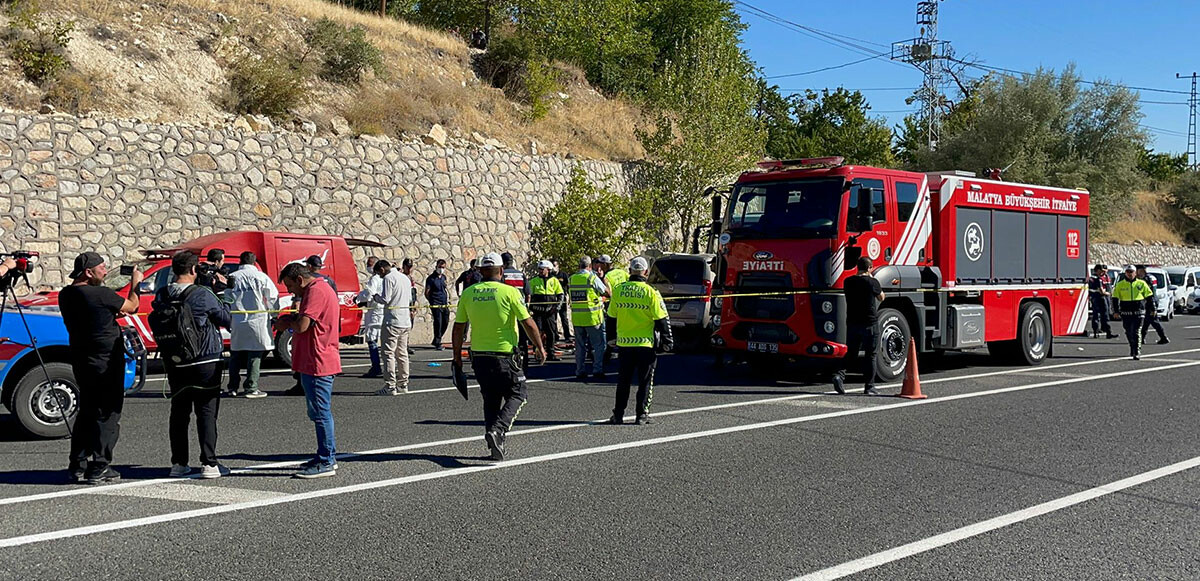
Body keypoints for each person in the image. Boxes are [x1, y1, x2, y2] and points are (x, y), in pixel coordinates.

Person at [451, 253, 546, 461]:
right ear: (501, 271)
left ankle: (495, 446)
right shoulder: (510, 292)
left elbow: (458, 328)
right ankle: (498, 431)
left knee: (490, 399)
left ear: (480, 271)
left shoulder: (469, 293)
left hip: (479, 356)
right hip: (504, 354)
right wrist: (539, 346)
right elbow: (528, 323)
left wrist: (456, 357)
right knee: (519, 393)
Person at [59, 252, 142, 484]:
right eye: (102, 268)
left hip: (82, 359)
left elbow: (93, 313)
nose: (105, 273)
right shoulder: (101, 294)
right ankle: (100, 466)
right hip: (105, 362)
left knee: (86, 411)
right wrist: (136, 282)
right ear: (89, 272)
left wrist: (109, 312)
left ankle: (77, 464)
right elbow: (133, 306)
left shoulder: (66, 295)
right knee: (108, 414)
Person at [152, 252, 233, 479]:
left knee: (179, 412)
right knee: (206, 411)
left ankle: (178, 463)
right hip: (205, 358)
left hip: (175, 359)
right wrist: (222, 291)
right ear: (194, 270)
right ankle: (209, 463)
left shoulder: (162, 294)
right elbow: (226, 319)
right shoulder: (202, 294)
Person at [275, 262, 342, 478]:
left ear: (300, 280)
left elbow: (303, 325)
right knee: (318, 412)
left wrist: (286, 323)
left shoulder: (316, 291)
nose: (290, 291)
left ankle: (326, 461)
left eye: (290, 286)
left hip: (318, 360)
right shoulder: (320, 289)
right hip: (315, 359)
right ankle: (325, 455)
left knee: (321, 413)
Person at [605, 257, 673, 425]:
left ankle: (618, 415)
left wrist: (611, 338)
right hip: (645, 344)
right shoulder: (651, 292)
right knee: (645, 382)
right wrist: (667, 340)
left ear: (629, 271)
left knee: (623, 381)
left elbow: (611, 317)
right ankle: (642, 415)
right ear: (646, 272)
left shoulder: (619, 290)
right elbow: (662, 318)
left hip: (625, 344)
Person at [225, 251, 278, 398]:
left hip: (238, 320)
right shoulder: (262, 277)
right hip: (258, 320)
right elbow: (272, 297)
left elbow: (226, 297)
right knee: (255, 354)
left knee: (236, 354)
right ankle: (251, 387)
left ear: (240, 262)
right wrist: (274, 314)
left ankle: (232, 387)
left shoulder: (233, 277)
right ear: (254, 262)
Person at [834, 256, 884, 395]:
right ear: (869, 268)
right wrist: (872, 278)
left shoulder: (848, 281)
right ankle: (869, 386)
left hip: (853, 322)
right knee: (871, 355)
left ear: (857, 267)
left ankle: (839, 375)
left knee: (851, 352)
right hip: (870, 323)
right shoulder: (872, 282)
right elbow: (881, 297)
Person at [373, 259, 413, 395]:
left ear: (382, 269)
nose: (380, 276)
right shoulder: (405, 278)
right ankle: (403, 383)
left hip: (392, 321)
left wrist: (375, 297)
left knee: (388, 353)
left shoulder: (389, 278)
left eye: (379, 273)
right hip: (405, 320)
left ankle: (390, 385)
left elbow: (386, 299)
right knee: (402, 353)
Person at [569, 256, 610, 381]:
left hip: (577, 318)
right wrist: (604, 282)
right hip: (592, 318)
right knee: (599, 345)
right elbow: (607, 292)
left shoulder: (572, 279)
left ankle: (579, 371)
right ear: (590, 266)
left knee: (580, 346)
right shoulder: (592, 278)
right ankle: (597, 370)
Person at [1112, 265, 1154, 360]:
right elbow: (1115, 299)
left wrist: (1153, 309)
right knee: (1128, 331)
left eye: (1131, 272)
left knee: (1136, 330)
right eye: (1128, 272)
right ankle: (1132, 347)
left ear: (1135, 273)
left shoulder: (1142, 284)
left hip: (1139, 310)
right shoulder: (1120, 285)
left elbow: (1149, 297)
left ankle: (1137, 351)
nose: (1129, 274)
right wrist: (1116, 311)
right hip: (1126, 311)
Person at [500, 252, 532, 367]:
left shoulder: (502, 275)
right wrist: (526, 307)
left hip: (508, 312)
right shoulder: (521, 274)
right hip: (521, 310)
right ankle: (524, 363)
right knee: (523, 340)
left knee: (510, 339)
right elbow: (528, 294)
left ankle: (511, 363)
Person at [529, 260, 564, 361]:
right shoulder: (533, 281)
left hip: (550, 312)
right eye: (539, 269)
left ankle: (551, 353)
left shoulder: (554, 280)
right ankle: (538, 353)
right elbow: (529, 297)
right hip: (538, 312)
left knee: (551, 333)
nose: (540, 271)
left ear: (548, 270)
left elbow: (560, 295)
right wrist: (533, 308)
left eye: (542, 269)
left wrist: (556, 308)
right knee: (537, 332)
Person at [356, 256, 384, 378]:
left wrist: (358, 298)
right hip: (383, 311)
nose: (368, 266)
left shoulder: (375, 279)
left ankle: (376, 367)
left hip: (375, 312)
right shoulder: (385, 279)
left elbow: (368, 295)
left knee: (372, 340)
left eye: (370, 264)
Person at [599, 254, 628, 364]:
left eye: (601, 264)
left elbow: (608, 292)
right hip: (626, 304)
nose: (599, 266)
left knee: (613, 330)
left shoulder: (607, 277)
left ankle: (608, 354)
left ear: (605, 264)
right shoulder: (622, 272)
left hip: (614, 305)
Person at [1137, 266, 1170, 346]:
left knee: (1153, 321)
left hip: (1150, 302)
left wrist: (1153, 306)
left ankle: (1163, 337)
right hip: (1151, 301)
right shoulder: (1150, 277)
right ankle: (1142, 338)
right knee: (1146, 321)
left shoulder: (1146, 279)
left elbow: (1149, 293)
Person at [425, 258, 451, 350]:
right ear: (436, 267)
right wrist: (432, 302)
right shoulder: (431, 279)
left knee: (446, 320)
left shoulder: (443, 277)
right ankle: (438, 342)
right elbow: (427, 292)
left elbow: (444, 288)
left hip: (444, 303)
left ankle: (437, 339)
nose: (441, 269)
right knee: (438, 322)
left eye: (443, 267)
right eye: (440, 267)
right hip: (436, 303)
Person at [1087, 264, 1116, 339]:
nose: (1104, 273)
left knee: (1097, 315)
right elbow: (1101, 291)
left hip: (1097, 298)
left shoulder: (1101, 277)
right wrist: (1109, 294)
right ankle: (1107, 332)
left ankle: (1097, 332)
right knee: (1104, 315)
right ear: (1097, 270)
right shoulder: (1096, 278)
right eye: (1102, 271)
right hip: (1100, 298)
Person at [553, 260, 573, 343]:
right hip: (553, 299)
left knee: (564, 317)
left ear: (558, 266)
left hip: (562, 298)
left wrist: (570, 298)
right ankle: (555, 336)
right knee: (553, 319)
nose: (553, 267)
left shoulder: (563, 274)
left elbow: (568, 286)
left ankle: (567, 335)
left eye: (555, 265)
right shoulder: (551, 276)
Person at [402, 258, 417, 355]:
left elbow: (413, 293)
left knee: (409, 326)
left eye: (411, 267)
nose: (409, 269)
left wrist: (413, 307)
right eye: (408, 267)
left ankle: (406, 344)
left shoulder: (411, 278)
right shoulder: (402, 277)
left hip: (411, 304)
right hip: (404, 305)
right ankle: (404, 346)